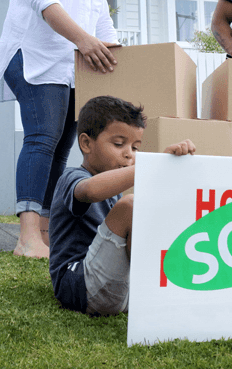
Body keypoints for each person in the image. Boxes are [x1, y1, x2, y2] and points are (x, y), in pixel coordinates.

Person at [0, 0, 120, 259]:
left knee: (62, 147)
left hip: (72, 65)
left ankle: (44, 236)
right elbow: (47, 4)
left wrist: (115, 55)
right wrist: (85, 41)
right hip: (32, 56)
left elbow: (101, 20)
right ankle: (26, 237)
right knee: (42, 138)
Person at [49, 96, 195, 315]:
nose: (129, 154)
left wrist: (170, 166)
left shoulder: (114, 189)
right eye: (119, 144)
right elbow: (90, 191)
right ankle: (155, 293)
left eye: (135, 147)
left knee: (151, 208)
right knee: (131, 206)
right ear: (86, 143)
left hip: (117, 286)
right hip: (79, 285)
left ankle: (166, 289)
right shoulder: (72, 177)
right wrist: (151, 167)